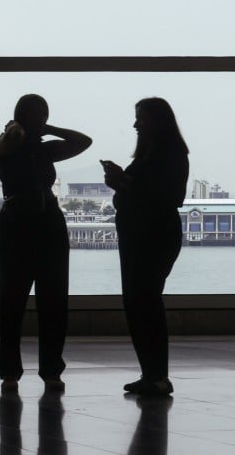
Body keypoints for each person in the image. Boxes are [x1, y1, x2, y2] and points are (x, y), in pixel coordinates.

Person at [0, 94, 91, 393]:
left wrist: (50, 129)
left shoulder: (44, 150)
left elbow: (83, 141)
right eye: (34, 114)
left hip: (49, 224)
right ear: (20, 116)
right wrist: (20, 128)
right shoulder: (4, 144)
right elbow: (13, 138)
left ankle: (51, 368)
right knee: (12, 301)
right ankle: (10, 370)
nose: (39, 120)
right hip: (17, 224)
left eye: (43, 115)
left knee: (54, 301)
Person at [102, 97, 189, 397]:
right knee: (138, 301)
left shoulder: (170, 155)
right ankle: (151, 373)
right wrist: (123, 184)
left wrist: (123, 183)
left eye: (141, 118)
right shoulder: (157, 155)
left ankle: (157, 374)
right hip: (141, 234)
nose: (136, 124)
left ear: (157, 121)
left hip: (152, 235)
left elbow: (168, 197)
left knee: (145, 301)